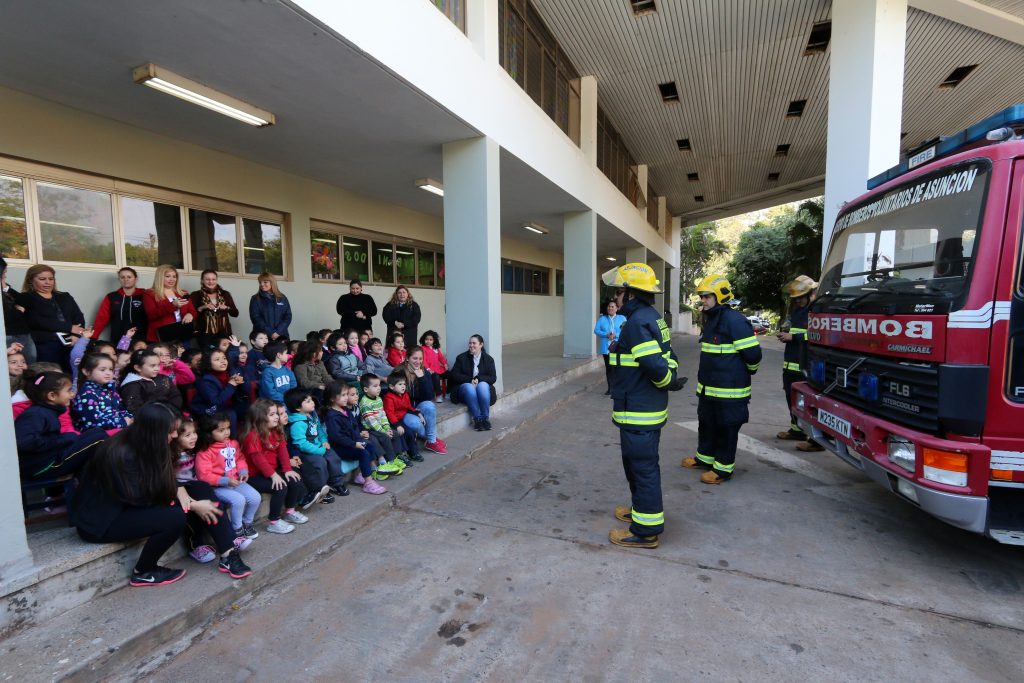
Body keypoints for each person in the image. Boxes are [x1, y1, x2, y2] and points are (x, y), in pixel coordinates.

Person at [70, 402, 251, 586]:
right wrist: (193, 505)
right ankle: (143, 571)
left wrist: (179, 487)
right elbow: (141, 497)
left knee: (201, 488)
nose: (175, 435)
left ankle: (228, 553)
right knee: (174, 517)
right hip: (104, 520)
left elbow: (161, 478)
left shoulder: (147, 442)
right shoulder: (121, 454)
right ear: (154, 430)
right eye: (171, 431)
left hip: (131, 504)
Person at [602, 263, 686, 550]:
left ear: (631, 294)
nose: (616, 297)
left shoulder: (637, 323)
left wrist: (668, 381)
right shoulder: (649, 317)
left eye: (619, 292)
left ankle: (645, 531)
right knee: (638, 464)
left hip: (639, 411)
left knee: (642, 467)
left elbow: (654, 365)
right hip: (643, 407)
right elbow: (667, 355)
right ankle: (640, 510)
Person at [682, 274, 762, 485]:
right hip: (709, 388)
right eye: (702, 296)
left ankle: (723, 469)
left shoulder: (734, 321)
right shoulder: (712, 319)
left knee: (727, 428)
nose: (703, 300)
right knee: (706, 423)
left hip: (730, 391)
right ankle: (705, 458)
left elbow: (753, 355)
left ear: (720, 296)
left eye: (707, 296)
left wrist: (746, 373)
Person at [15, 370, 108, 480]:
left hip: (51, 457)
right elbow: (25, 443)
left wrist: (64, 439)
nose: (72, 395)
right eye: (68, 391)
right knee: (99, 438)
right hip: (41, 465)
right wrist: (63, 439)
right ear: (52, 396)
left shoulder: (47, 412)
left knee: (97, 432)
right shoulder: (35, 414)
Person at [241, 399, 309, 531]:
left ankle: (289, 512)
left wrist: (287, 469)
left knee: (294, 479)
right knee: (280, 487)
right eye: (272, 414)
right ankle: (273, 521)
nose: (277, 417)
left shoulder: (276, 431)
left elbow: (283, 451)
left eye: (276, 413)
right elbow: (259, 461)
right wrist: (273, 475)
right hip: (254, 475)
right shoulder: (252, 436)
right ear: (260, 418)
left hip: (270, 470)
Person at [195, 412, 263, 543]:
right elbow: (204, 475)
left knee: (255, 497)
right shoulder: (205, 451)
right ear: (208, 433)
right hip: (217, 486)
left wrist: (243, 471)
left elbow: (240, 459)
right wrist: (225, 480)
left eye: (227, 428)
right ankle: (237, 529)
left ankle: (247, 523)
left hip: (236, 481)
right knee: (238, 500)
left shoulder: (233, 443)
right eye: (221, 430)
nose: (226, 432)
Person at [776, 275, 822, 452]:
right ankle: (797, 430)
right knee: (791, 397)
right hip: (790, 364)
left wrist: (793, 337)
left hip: (806, 366)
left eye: (801, 297)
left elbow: (818, 334)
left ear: (810, 294)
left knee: (809, 402)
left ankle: (816, 440)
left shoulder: (816, 311)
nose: (798, 301)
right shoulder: (797, 312)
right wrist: (786, 335)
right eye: (795, 298)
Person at [325, 382, 391, 494]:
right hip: (340, 448)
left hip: (352, 443)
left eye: (346, 394)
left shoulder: (345, 410)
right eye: (343, 395)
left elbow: (354, 427)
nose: (346, 397)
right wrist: (354, 444)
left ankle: (359, 474)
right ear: (332, 398)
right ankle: (368, 483)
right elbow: (337, 437)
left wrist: (359, 440)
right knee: (363, 453)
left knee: (370, 446)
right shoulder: (332, 416)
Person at [284, 387, 347, 503]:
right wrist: (319, 451)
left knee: (333, 458)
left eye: (311, 399)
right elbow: (301, 443)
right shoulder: (298, 423)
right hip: (306, 452)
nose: (312, 402)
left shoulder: (312, 414)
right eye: (308, 401)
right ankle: (320, 490)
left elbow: (319, 430)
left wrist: (324, 441)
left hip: (319, 446)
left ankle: (336, 483)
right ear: (298, 408)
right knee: (319, 464)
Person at [19, 264, 87, 369]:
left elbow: (78, 317)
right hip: (44, 345)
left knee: (72, 373)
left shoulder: (65, 296)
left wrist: (76, 335)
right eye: (42, 279)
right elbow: (36, 321)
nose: (48, 282)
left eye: (51, 279)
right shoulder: (26, 298)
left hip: (71, 342)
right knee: (51, 374)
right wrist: (69, 327)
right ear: (31, 280)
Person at [358, 373, 414, 474]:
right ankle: (391, 460)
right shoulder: (365, 403)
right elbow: (371, 422)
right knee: (385, 437)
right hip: (371, 429)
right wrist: (384, 431)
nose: (379, 388)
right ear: (366, 389)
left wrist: (387, 428)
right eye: (375, 386)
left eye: (379, 385)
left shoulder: (378, 399)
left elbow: (383, 415)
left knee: (395, 433)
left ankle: (398, 456)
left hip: (381, 426)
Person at [400, 346, 447, 453]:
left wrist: (421, 378)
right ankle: (432, 438)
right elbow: (398, 400)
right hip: (404, 410)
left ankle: (431, 442)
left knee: (429, 406)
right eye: (415, 358)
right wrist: (415, 412)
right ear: (407, 358)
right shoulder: (399, 372)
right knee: (415, 423)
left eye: (420, 359)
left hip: (418, 406)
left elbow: (428, 396)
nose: (418, 362)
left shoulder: (424, 371)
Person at [71, 352, 133, 431]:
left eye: (111, 369)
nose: (108, 373)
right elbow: (93, 423)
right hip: (98, 435)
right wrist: (123, 423)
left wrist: (130, 418)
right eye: (102, 370)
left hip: (116, 428)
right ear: (86, 372)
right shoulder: (87, 394)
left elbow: (120, 408)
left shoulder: (109, 388)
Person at [190, 349, 247, 432]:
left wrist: (241, 382)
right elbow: (216, 402)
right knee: (231, 414)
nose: (223, 361)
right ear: (208, 363)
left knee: (247, 407)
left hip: (226, 405)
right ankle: (233, 439)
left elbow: (245, 392)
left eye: (224, 358)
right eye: (217, 359)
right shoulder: (205, 381)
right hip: (210, 410)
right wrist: (231, 385)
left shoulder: (228, 373)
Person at [449, 334, 497, 431]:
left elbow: (493, 378)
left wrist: (479, 378)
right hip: (464, 390)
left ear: (481, 345)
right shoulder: (461, 358)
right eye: (470, 343)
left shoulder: (488, 359)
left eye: (474, 343)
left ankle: (485, 418)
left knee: (483, 385)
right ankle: (477, 419)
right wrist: (469, 380)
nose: (471, 345)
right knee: (469, 387)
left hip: (482, 390)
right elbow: (454, 375)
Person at [93, 267, 149, 344]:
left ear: (136, 279)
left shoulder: (146, 295)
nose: (126, 279)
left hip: (141, 340)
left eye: (129, 277)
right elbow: (101, 318)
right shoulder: (111, 297)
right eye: (122, 277)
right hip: (118, 339)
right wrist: (93, 337)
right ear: (119, 279)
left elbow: (154, 315)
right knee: (121, 352)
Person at [144, 265, 197, 344]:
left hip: (183, 334)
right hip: (162, 336)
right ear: (160, 277)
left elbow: (193, 311)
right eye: (168, 276)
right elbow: (151, 315)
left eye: (174, 276)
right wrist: (172, 305)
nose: (172, 279)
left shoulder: (183, 293)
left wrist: (190, 314)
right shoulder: (149, 293)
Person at [119, 348, 182, 413]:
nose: (157, 368)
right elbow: (134, 408)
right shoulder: (131, 385)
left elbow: (176, 396)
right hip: (149, 417)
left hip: (171, 413)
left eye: (158, 365)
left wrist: (171, 411)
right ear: (138, 368)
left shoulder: (164, 378)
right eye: (152, 366)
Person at [190, 270, 239, 350]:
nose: (211, 282)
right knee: (207, 355)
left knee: (226, 354)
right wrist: (203, 307)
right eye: (207, 279)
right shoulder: (195, 295)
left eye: (213, 279)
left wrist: (226, 307)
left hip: (224, 332)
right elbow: (192, 314)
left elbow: (235, 313)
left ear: (216, 280)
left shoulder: (225, 294)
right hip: (204, 334)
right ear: (202, 280)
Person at [1, 256, 36, 363]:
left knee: (29, 366)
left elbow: (27, 303)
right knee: (13, 367)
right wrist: (19, 311)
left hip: (24, 334)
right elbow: (6, 316)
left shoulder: (4, 290)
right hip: (8, 336)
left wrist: (5, 286)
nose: (5, 275)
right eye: (3, 272)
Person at [594, 299, 626, 395]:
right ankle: (610, 388)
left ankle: (619, 387)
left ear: (616, 308)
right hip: (606, 348)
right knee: (609, 369)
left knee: (618, 368)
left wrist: (616, 335)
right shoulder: (602, 319)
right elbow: (596, 330)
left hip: (618, 347)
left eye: (612, 307)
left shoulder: (622, 318)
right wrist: (606, 334)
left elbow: (626, 330)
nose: (610, 308)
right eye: (609, 306)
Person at [249, 272, 292, 342]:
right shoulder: (255, 299)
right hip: (263, 337)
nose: (262, 284)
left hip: (281, 336)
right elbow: (256, 318)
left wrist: (278, 331)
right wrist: (270, 332)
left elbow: (288, 316)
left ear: (272, 283)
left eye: (265, 282)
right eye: (260, 282)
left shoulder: (282, 298)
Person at [419, 330, 448, 402]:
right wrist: (428, 369)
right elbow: (423, 360)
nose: (428, 341)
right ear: (423, 339)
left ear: (434, 340)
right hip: (429, 369)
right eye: (426, 339)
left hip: (438, 368)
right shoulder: (422, 348)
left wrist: (445, 364)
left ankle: (449, 392)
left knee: (450, 374)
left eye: (430, 340)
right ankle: (438, 395)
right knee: (436, 377)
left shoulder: (436, 348)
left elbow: (441, 357)